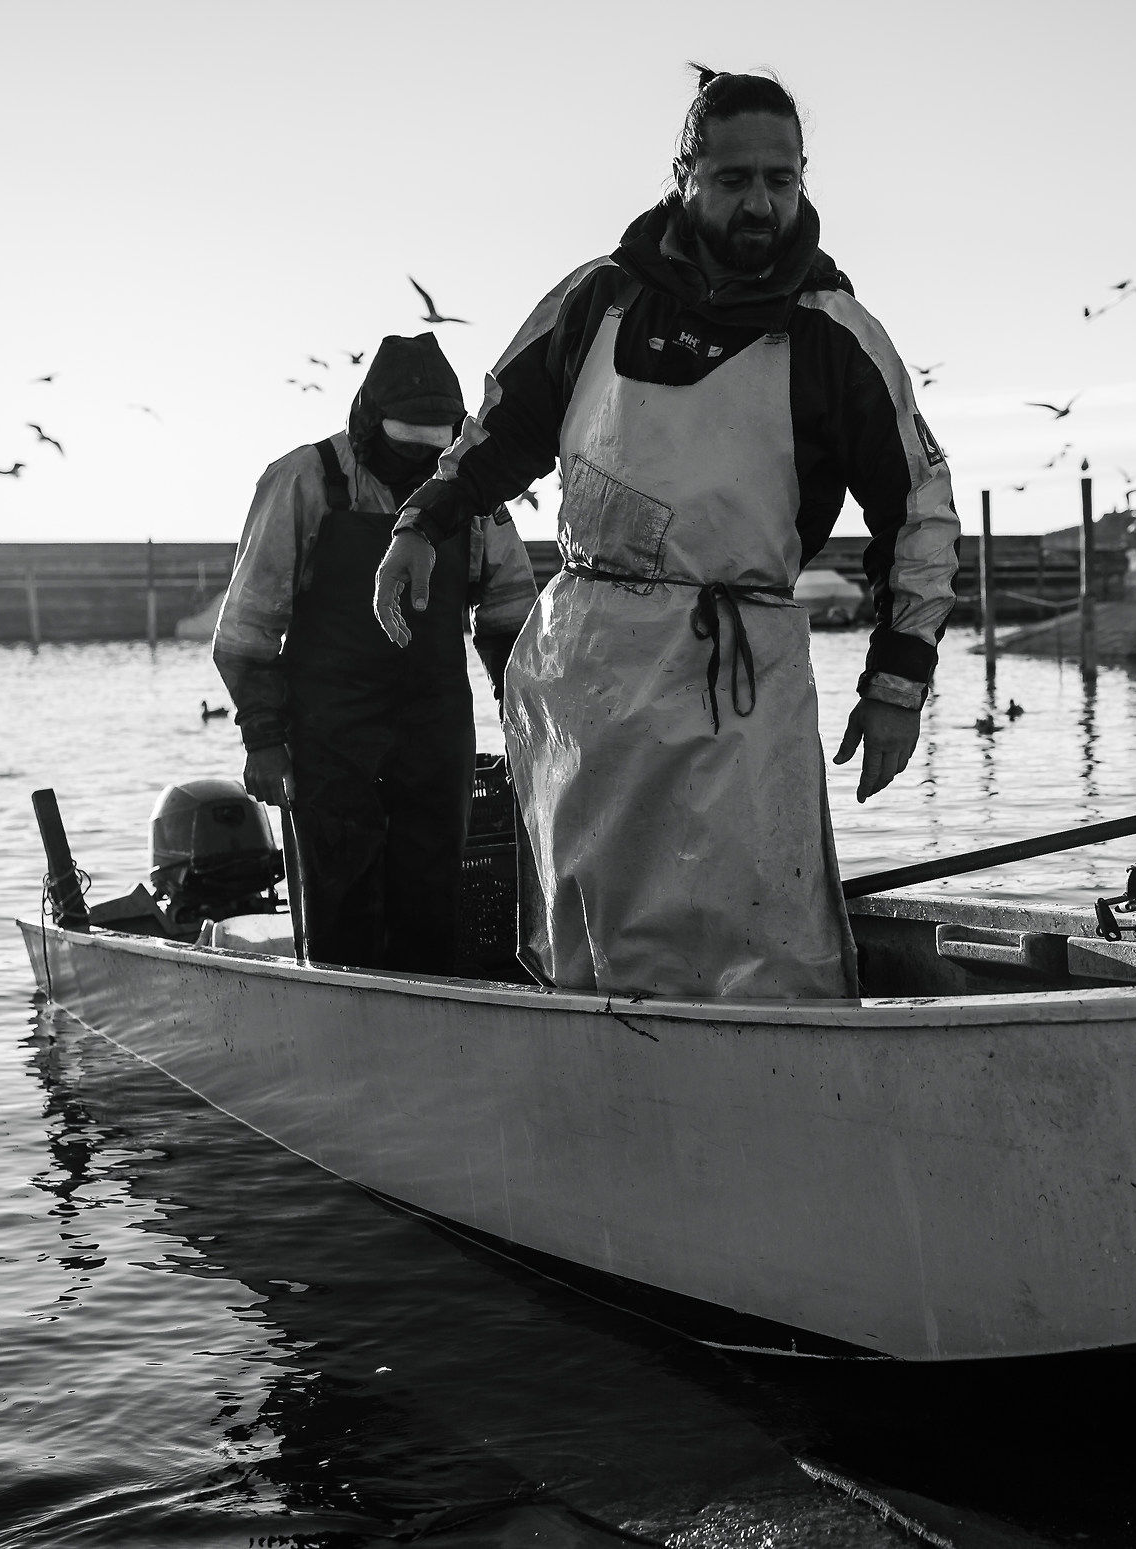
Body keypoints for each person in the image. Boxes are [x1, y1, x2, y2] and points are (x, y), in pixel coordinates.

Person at [372, 66, 959, 1001]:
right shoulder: (598, 300)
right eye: (735, 180)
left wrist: (897, 682)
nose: (761, 201)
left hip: (743, 678)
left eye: (783, 178)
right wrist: (421, 523)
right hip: (588, 676)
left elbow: (917, 510)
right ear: (685, 176)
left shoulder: (836, 333)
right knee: (589, 940)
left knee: (763, 944)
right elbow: (499, 433)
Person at [213, 333, 535, 972]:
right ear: (368, 424)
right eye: (402, 446)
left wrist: (530, 727)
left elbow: (508, 617)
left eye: (433, 449)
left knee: (432, 900)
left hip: (436, 725)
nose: (419, 464)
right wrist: (263, 741)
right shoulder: (304, 481)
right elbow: (246, 634)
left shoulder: (470, 496)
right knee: (341, 903)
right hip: (330, 733)